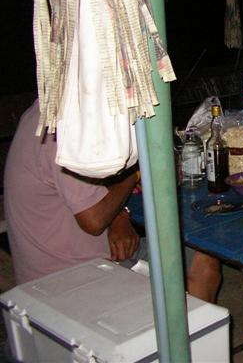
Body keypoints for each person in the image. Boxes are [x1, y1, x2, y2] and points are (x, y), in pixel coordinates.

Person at [4, 100, 221, 303]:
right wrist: (134, 174)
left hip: (75, 258)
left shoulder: (47, 109)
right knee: (200, 266)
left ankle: (192, 328)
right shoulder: (65, 133)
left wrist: (119, 216)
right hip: (72, 279)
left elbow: (88, 192)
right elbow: (94, 221)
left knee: (203, 260)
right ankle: (175, 327)